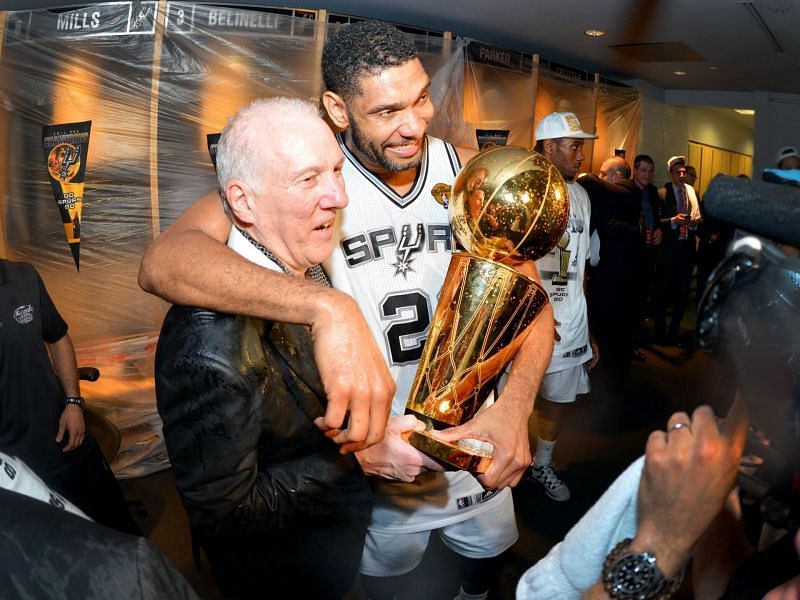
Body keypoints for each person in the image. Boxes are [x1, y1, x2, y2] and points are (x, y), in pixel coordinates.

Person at [140, 20, 555, 600]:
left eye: (420, 99)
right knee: (397, 586)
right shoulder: (310, 180)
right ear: (337, 108)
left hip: (475, 443)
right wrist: (326, 306)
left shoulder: (467, 171)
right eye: (386, 112)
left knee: (483, 573)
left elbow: (531, 304)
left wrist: (514, 408)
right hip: (375, 458)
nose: (412, 125)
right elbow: (163, 262)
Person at [155, 98, 374, 599]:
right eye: (308, 179)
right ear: (243, 202)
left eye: (337, 171)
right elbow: (223, 511)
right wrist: (359, 457)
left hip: (332, 544)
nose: (338, 196)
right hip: (281, 573)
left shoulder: (304, 256)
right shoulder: (208, 344)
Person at [0, 259, 138, 534]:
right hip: (13, 459)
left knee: (114, 523)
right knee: (55, 543)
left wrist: (73, 403)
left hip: (63, 430)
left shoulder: (23, 276)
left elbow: (58, 337)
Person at [528, 112, 599, 502]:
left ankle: (542, 463)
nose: (581, 156)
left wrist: (586, 327)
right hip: (524, 322)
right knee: (509, 396)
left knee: (557, 400)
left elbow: (582, 266)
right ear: (550, 147)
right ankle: (505, 462)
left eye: (582, 148)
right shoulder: (525, 187)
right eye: (575, 147)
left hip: (569, 321)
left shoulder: (582, 196)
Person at [579, 156, 641, 393]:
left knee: (614, 331)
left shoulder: (628, 189)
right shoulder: (613, 198)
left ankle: (611, 385)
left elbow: (595, 186)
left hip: (617, 279)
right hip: (611, 276)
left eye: (605, 173)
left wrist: (586, 177)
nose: (602, 177)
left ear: (617, 176)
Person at [653, 155, 701, 347]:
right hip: (668, 252)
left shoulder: (691, 192)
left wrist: (694, 223)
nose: (682, 175)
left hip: (686, 252)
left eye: (684, 172)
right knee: (662, 294)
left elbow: (699, 218)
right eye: (677, 172)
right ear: (670, 173)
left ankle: (674, 332)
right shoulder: (662, 193)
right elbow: (656, 223)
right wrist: (673, 221)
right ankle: (659, 333)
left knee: (682, 295)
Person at [630, 154, 662, 357]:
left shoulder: (652, 192)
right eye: (643, 170)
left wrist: (659, 229)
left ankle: (634, 343)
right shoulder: (626, 190)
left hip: (649, 253)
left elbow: (656, 218)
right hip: (630, 254)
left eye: (650, 171)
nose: (647, 175)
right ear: (635, 170)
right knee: (628, 301)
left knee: (641, 300)